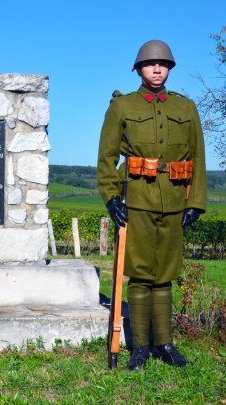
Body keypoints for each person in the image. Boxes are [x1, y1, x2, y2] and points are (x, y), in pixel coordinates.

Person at [97, 40, 206, 370]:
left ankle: (165, 344)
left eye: (163, 64)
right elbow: (106, 157)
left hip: (174, 201)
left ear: (170, 68)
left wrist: (196, 201)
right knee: (142, 276)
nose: (157, 69)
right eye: (150, 64)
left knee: (165, 275)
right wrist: (112, 196)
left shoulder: (186, 108)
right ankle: (141, 347)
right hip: (138, 201)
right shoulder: (122, 106)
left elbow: (198, 157)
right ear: (139, 69)